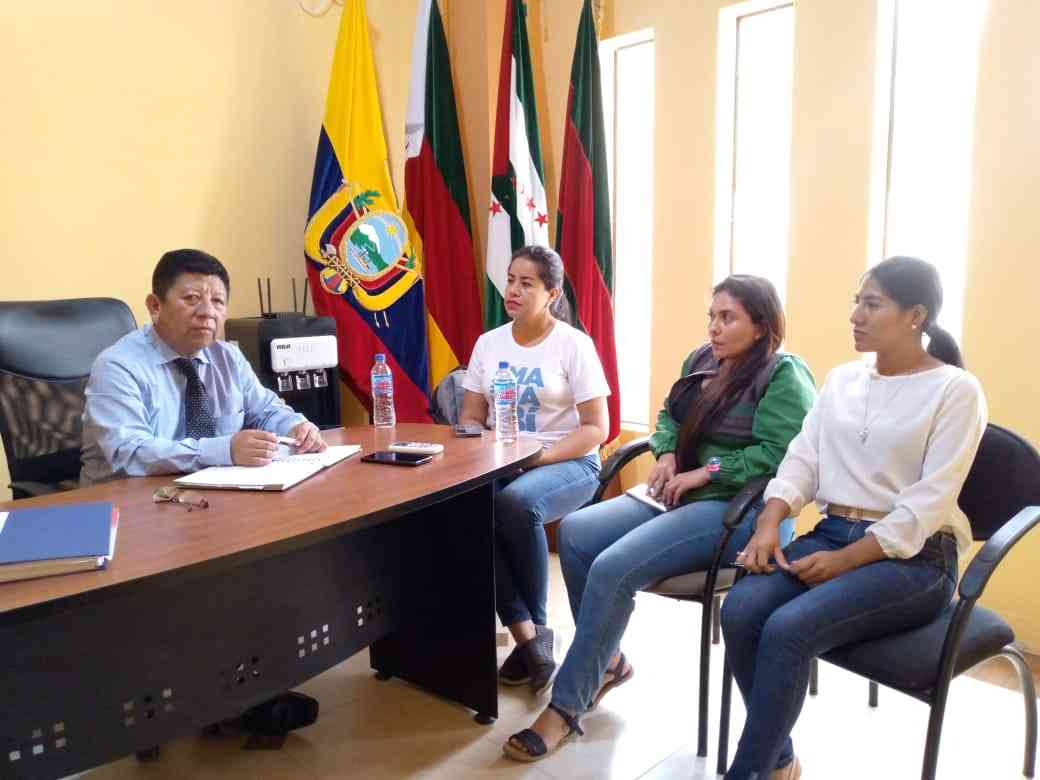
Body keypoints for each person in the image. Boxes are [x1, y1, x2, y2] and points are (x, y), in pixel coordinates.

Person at [503, 274, 817, 762]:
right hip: (683, 492)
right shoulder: (702, 360)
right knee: (579, 532)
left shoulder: (782, 375)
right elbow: (669, 416)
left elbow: (780, 456)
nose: (714, 327)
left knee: (613, 566)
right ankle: (607, 661)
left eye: (728, 318)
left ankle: (565, 706)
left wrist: (706, 471)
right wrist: (668, 454)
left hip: (743, 509)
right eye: (712, 316)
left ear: (761, 326)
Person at [719, 256, 987, 780]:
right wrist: (770, 521)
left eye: (872, 304)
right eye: (856, 302)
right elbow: (803, 458)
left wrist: (845, 561)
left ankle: (747, 773)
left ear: (915, 315)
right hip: (832, 533)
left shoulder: (956, 390)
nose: (855, 316)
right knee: (741, 609)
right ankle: (779, 763)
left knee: (789, 628)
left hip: (917, 559)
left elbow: (928, 504)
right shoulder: (842, 380)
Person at [459, 245, 610, 694]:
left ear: (552, 294)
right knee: (467, 511)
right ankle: (529, 639)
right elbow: (471, 416)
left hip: (569, 460)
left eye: (527, 283)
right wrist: (479, 448)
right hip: (500, 460)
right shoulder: (489, 344)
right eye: (510, 280)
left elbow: (596, 429)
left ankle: (535, 631)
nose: (513, 290)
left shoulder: (573, 344)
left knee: (516, 502)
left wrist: (537, 460)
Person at [81, 248, 326, 485]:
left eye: (218, 301)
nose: (208, 312)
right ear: (155, 306)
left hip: (212, 494)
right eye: (192, 299)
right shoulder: (117, 366)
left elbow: (266, 411)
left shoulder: (228, 357)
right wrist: (224, 450)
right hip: (128, 501)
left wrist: (295, 427)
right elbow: (130, 453)